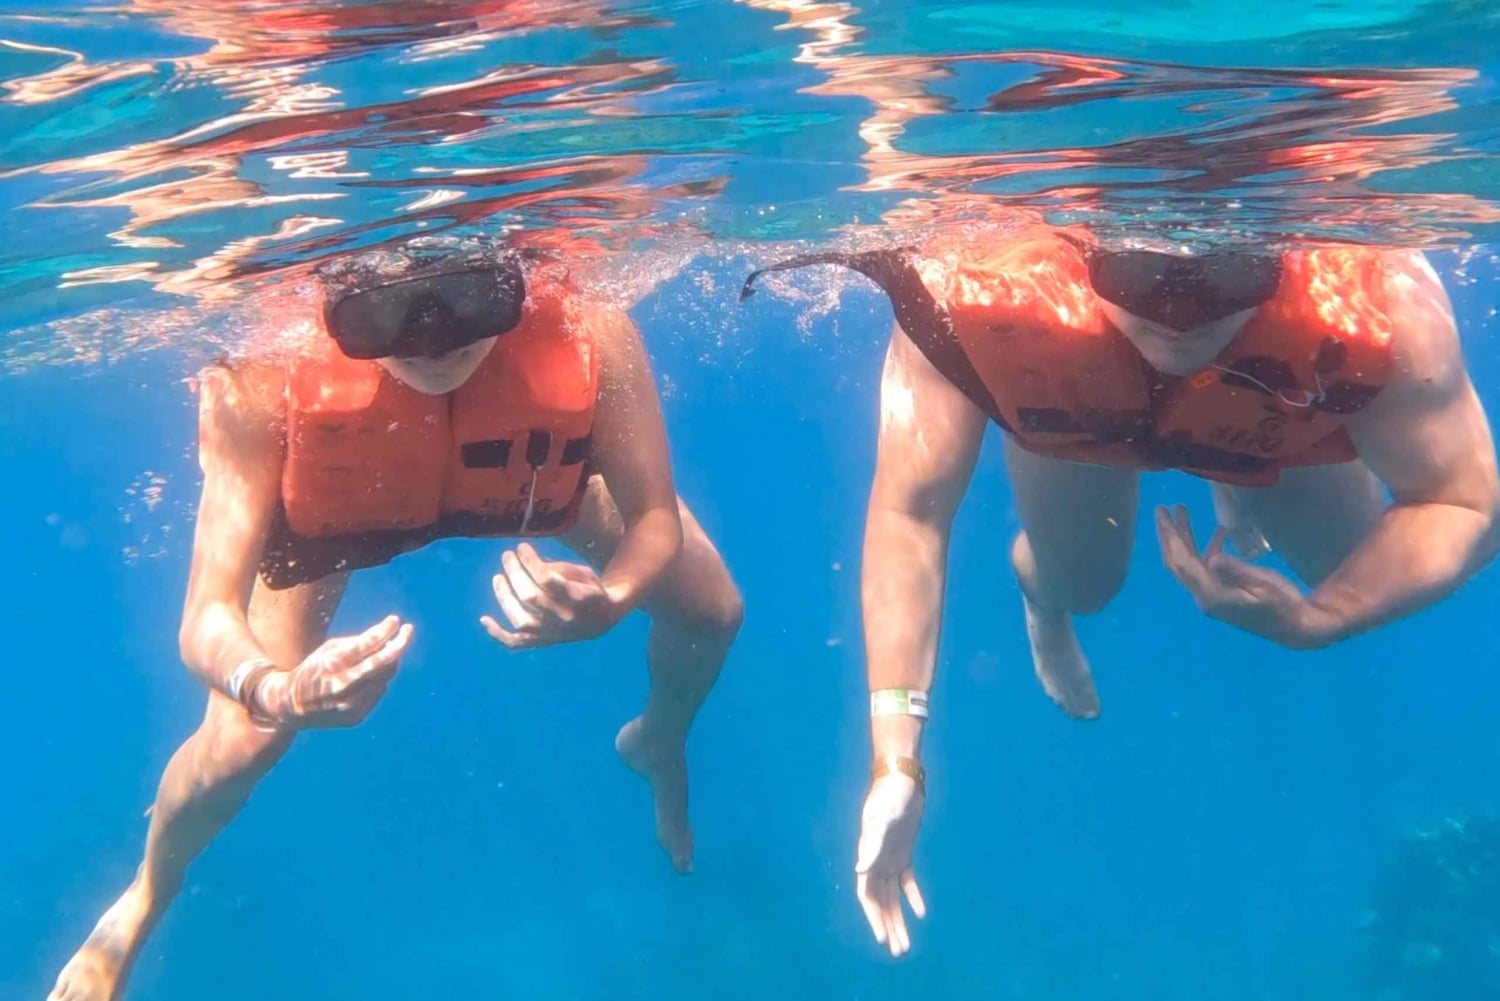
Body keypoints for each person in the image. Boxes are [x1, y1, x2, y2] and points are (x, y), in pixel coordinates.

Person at [742, 223, 1499, 956]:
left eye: (1226, 270)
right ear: (1086, 240)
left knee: (1350, 562)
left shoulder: (1379, 296)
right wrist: (894, 759)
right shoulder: (984, 280)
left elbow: (1467, 502)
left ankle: (1239, 475)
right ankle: (1039, 581)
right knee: (1083, 583)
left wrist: (1323, 613)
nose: (1178, 318)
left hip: (1278, 406)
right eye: (1139, 272)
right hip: (1079, 394)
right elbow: (911, 513)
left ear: (1286, 244)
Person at [50, 236, 743, 1001]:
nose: (434, 336)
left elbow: (653, 522)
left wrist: (612, 598)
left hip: (527, 475)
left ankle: (658, 739)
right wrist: (279, 690)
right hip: (346, 514)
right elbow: (205, 619)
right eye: (382, 311)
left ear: (515, 277)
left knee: (712, 610)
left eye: (472, 297)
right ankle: (148, 889)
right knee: (246, 734)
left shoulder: (591, 330)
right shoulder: (257, 380)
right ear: (333, 301)